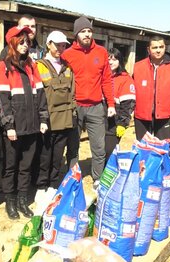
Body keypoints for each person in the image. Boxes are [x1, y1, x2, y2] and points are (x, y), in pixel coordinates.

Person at [0, 26, 49, 220]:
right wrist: (8, 125)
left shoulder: (32, 66)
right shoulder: (3, 67)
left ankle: (22, 200)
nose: (26, 45)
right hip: (14, 129)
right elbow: (3, 99)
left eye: (27, 42)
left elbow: (40, 95)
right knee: (10, 167)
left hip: (32, 126)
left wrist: (43, 119)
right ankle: (10, 202)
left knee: (26, 167)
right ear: (12, 43)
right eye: (22, 41)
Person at [61, 16, 116, 190]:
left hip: (96, 107)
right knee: (72, 145)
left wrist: (111, 104)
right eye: (83, 31)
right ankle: (72, 176)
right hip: (74, 106)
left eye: (89, 31)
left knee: (98, 147)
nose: (87, 34)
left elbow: (107, 80)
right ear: (76, 34)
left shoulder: (101, 52)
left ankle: (98, 178)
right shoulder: (67, 55)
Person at [34, 31, 76, 213]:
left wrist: (73, 114)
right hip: (46, 118)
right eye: (57, 44)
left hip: (65, 118)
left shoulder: (68, 68)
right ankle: (40, 187)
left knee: (58, 155)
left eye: (63, 45)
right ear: (48, 44)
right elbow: (36, 94)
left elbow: (73, 93)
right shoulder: (38, 66)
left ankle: (52, 185)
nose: (60, 48)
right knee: (44, 155)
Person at [133, 35, 170, 140]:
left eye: (161, 47)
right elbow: (132, 90)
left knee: (162, 147)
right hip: (142, 115)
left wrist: (168, 103)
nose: (158, 50)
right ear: (148, 50)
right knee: (143, 148)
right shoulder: (138, 67)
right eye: (155, 47)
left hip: (163, 115)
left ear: (165, 48)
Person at [105, 47, 136, 160]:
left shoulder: (125, 79)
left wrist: (122, 124)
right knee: (100, 150)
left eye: (114, 59)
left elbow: (128, 104)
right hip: (100, 119)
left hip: (114, 121)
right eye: (108, 59)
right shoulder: (101, 76)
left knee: (109, 150)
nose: (111, 62)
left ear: (120, 61)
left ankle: (109, 174)